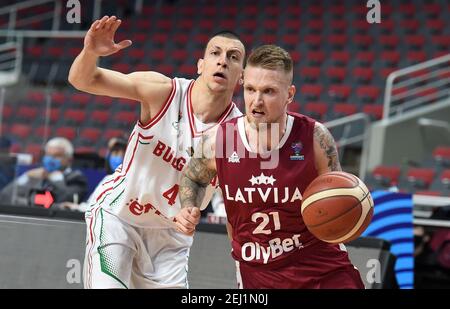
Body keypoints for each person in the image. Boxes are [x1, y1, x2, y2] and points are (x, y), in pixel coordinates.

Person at [68, 15, 245, 288]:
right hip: (119, 217)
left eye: (233, 57)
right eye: (215, 53)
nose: (223, 60)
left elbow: (241, 201)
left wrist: (191, 212)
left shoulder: (237, 135)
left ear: (242, 76)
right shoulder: (163, 91)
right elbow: (84, 80)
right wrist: (90, 52)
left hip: (170, 240)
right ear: (201, 64)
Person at [178, 45, 365, 288]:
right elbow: (193, 178)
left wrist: (346, 218)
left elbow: (337, 199)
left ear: (290, 94)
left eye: (268, 91)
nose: (256, 101)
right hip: (257, 273)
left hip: (320, 267)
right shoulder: (219, 141)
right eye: (250, 89)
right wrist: (188, 207)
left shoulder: (315, 138)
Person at [0, 137, 88, 207]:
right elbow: (5, 196)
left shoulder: (77, 179)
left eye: (57, 156)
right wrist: (26, 177)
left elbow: (68, 200)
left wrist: (55, 178)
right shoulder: (38, 176)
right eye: (48, 155)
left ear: (69, 160)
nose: (51, 159)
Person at [59, 137, 127, 212]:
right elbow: (92, 204)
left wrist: (79, 208)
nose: (119, 158)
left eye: (123, 155)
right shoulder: (108, 179)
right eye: (116, 153)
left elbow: (108, 209)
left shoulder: (129, 181)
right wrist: (77, 207)